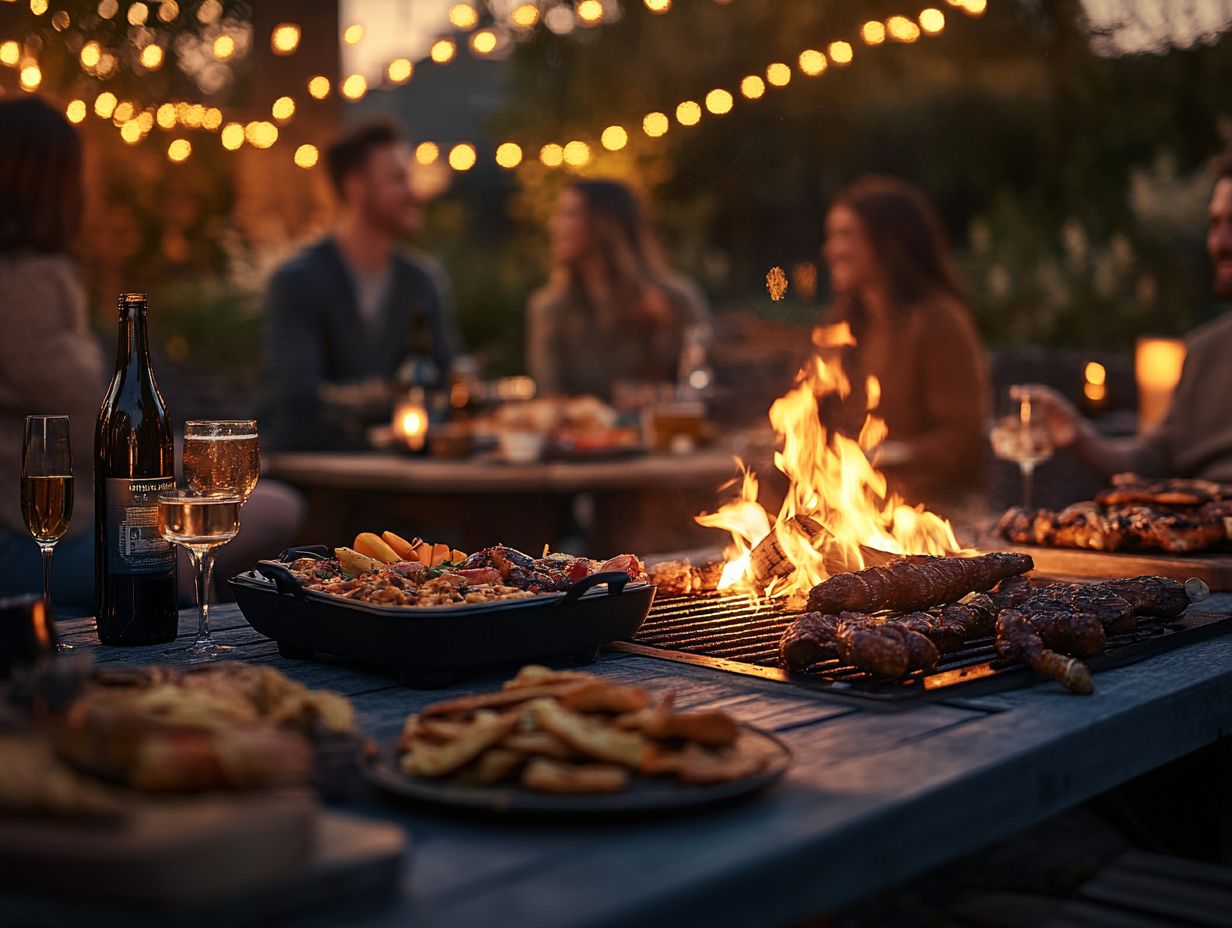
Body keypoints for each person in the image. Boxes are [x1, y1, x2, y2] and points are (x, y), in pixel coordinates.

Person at [0, 97, 303, 613]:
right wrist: (189, 460)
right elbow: (91, 422)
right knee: (274, 507)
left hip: (65, 521)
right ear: (50, 183)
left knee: (258, 505)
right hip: (34, 539)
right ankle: (171, 597)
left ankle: (184, 599)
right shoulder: (29, 281)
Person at [1021, 157, 1232, 482]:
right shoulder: (1206, 351)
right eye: (1214, 224)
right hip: (1189, 528)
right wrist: (1079, 435)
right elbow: (1154, 460)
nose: (1218, 243)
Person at [262, 119, 462, 451]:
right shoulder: (297, 280)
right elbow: (296, 396)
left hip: (408, 474)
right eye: (399, 180)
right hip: (320, 477)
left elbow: (446, 381)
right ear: (356, 188)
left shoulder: (421, 281)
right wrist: (388, 404)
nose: (413, 193)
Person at [820, 176, 990, 503]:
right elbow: (817, 415)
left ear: (889, 241)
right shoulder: (843, 324)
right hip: (850, 502)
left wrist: (887, 455)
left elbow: (964, 439)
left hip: (928, 510)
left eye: (845, 235)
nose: (830, 250)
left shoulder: (939, 321)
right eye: (831, 236)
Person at [526, 180, 709, 400]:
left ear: (606, 225)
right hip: (581, 432)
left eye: (570, 215)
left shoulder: (676, 297)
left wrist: (667, 331)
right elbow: (550, 395)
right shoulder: (550, 308)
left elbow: (702, 385)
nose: (554, 225)